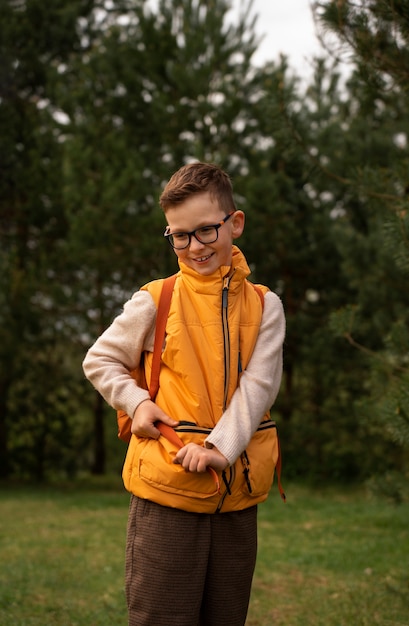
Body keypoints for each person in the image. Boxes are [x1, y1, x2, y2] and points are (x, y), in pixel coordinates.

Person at [82, 162, 286, 626]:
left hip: (236, 494)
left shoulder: (265, 304)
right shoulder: (156, 298)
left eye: (206, 231)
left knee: (226, 616)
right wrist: (137, 403)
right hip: (165, 490)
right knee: (163, 616)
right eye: (180, 236)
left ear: (234, 223)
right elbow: (99, 360)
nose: (194, 247)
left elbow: (260, 384)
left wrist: (219, 449)